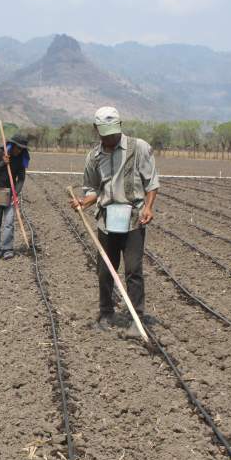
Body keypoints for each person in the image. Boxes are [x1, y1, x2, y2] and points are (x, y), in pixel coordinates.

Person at [69, 107, 159, 327]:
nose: (109, 137)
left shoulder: (139, 148)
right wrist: (84, 202)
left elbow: (152, 183)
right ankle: (106, 312)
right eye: (104, 133)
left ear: (119, 126)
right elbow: (92, 189)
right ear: (96, 130)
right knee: (105, 269)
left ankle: (135, 317)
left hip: (134, 219)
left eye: (112, 132)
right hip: (107, 220)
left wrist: (148, 207)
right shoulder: (94, 157)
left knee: (133, 270)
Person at [0, 133, 30, 260]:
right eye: (18, 148)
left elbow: (21, 179)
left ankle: (7, 249)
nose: (19, 150)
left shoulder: (21, 158)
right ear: (13, 145)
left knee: (9, 223)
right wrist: (2, 163)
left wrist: (16, 193)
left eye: (22, 149)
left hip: (10, 193)